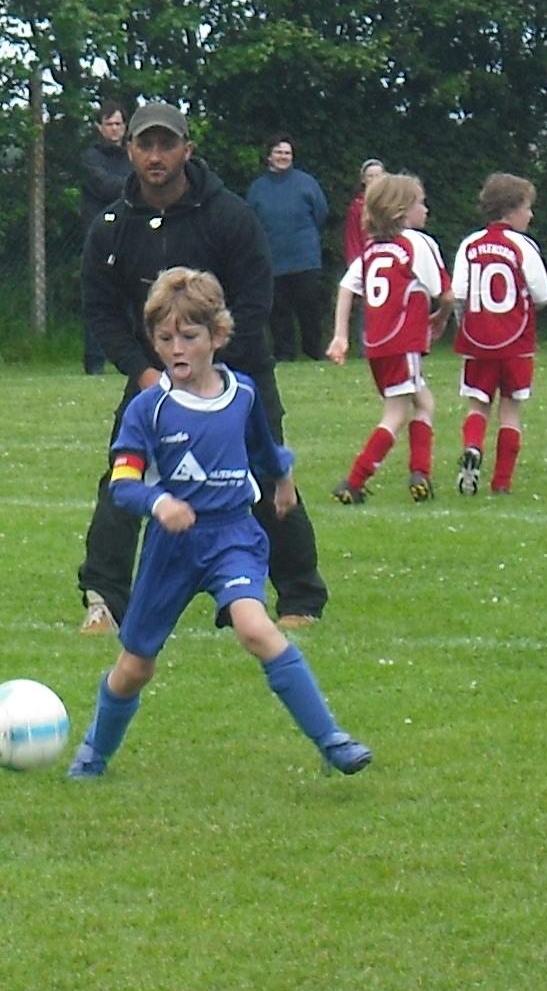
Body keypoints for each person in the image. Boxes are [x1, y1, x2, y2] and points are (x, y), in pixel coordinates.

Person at [66, 266, 369, 781]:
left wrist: (283, 480)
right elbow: (123, 482)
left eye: (189, 336)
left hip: (233, 536)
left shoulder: (242, 393)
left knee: (256, 628)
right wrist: (159, 503)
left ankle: (332, 740)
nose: (176, 349)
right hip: (172, 548)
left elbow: (263, 448)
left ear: (218, 336)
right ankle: (95, 750)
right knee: (135, 666)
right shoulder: (148, 409)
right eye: (165, 339)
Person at [76, 101, 326, 631]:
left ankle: (300, 598)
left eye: (167, 144)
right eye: (145, 145)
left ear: (187, 150)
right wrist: (148, 373)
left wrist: (210, 369)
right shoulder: (111, 227)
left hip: (238, 375)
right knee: (123, 477)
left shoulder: (229, 216)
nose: (156, 155)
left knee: (263, 474)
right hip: (155, 379)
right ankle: (104, 600)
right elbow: (101, 311)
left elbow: (256, 299)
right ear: (130, 151)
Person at [326, 169, 446, 502]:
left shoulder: (372, 250)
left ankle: (421, 473)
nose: (426, 209)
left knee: (424, 402)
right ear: (402, 210)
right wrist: (442, 316)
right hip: (403, 344)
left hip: (377, 346)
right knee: (395, 414)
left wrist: (340, 335)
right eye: (420, 203)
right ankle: (354, 481)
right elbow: (445, 293)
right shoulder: (417, 243)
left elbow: (346, 287)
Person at [450, 173, 547, 496]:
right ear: (510, 210)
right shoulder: (524, 246)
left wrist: (465, 323)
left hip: (478, 340)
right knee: (511, 408)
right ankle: (502, 482)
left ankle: (473, 446)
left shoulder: (470, 244)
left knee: (478, 403)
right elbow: (542, 295)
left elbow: (458, 294)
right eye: (527, 208)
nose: (530, 215)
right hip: (516, 342)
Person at [247, 137, 333, 360]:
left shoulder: (307, 183)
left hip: (305, 259)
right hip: (273, 260)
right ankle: (284, 355)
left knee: (309, 308)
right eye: (278, 152)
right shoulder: (258, 188)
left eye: (287, 153)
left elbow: (321, 213)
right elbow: (251, 222)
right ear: (269, 156)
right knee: (278, 311)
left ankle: (314, 353)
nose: (283, 157)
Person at [76, 103, 133, 372]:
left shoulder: (132, 155)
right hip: (99, 235)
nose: (114, 129)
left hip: (130, 232)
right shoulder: (90, 157)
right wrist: (135, 184)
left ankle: (132, 356)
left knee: (133, 295)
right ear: (100, 127)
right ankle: (94, 360)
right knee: (98, 296)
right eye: (109, 124)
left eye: (119, 124)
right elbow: (102, 186)